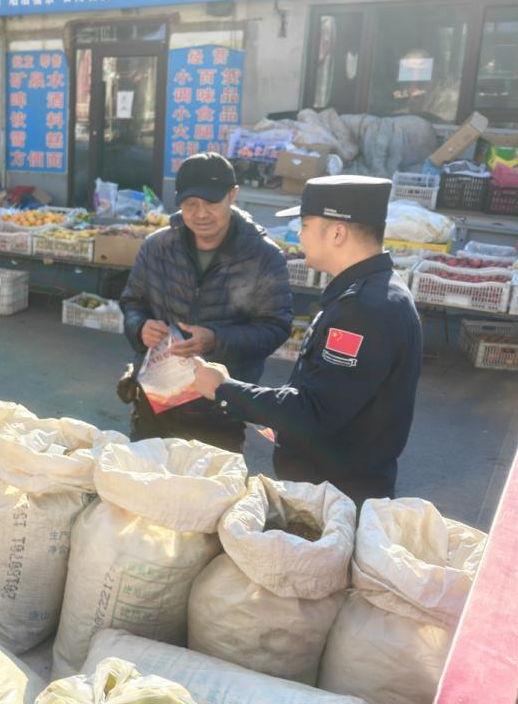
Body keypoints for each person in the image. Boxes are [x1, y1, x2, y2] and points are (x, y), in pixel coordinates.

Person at [192, 175, 422, 505]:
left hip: (334, 499)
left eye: (304, 225)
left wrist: (224, 389)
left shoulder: (363, 309)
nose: (299, 235)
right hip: (335, 489)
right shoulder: (373, 292)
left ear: (337, 232)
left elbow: (315, 411)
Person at [118, 153, 292, 452]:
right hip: (155, 401)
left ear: (232, 195)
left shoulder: (263, 256)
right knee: (144, 475)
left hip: (219, 408)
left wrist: (215, 339)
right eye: (190, 204)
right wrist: (140, 328)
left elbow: (275, 327)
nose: (200, 214)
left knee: (211, 480)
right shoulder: (157, 247)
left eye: (211, 203)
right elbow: (132, 302)